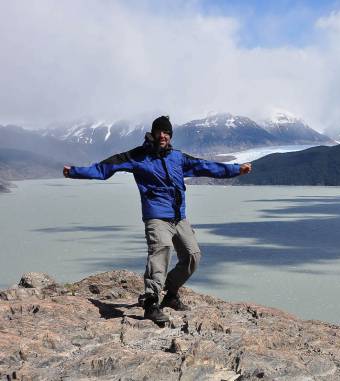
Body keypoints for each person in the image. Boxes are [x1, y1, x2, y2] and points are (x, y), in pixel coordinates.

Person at [63, 115, 252, 323]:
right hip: (156, 215)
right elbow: (104, 168)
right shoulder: (137, 156)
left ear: (170, 135)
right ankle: (151, 302)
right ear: (152, 133)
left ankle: (170, 294)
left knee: (192, 257)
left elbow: (206, 167)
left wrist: (236, 170)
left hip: (179, 217)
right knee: (161, 250)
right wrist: (74, 172)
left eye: (166, 132)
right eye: (159, 131)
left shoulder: (177, 158)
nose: (163, 135)